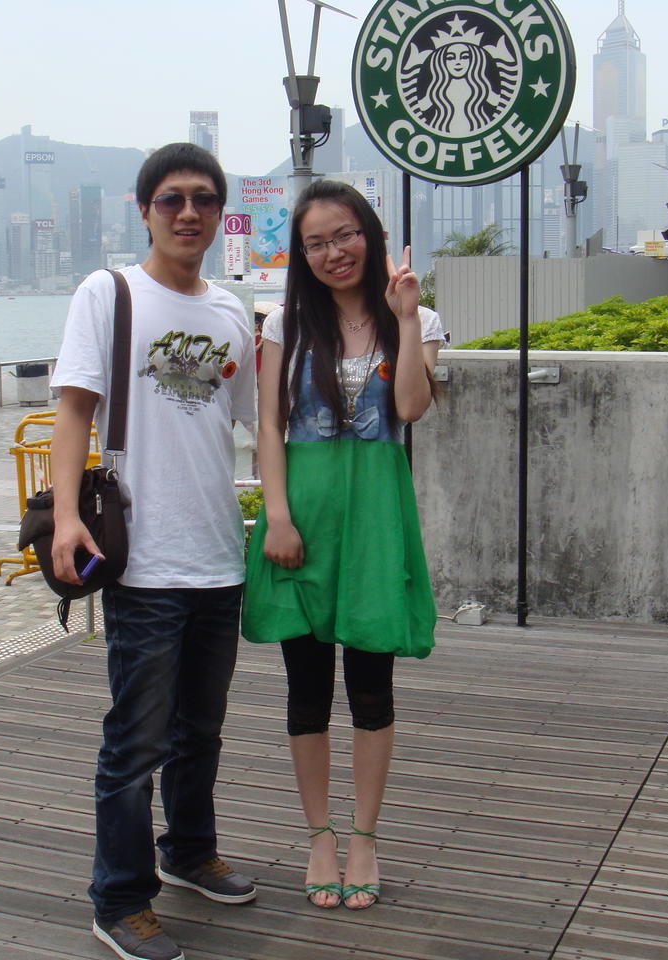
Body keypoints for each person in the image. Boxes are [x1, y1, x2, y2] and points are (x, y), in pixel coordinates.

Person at [49, 142, 258, 960]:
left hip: (219, 553)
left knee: (202, 729)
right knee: (135, 741)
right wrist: (67, 518)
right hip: (143, 559)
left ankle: (189, 850)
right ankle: (120, 898)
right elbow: (74, 410)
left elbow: (252, 423)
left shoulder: (232, 311)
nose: (188, 213)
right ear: (144, 210)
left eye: (204, 199)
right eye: (171, 199)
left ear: (219, 213)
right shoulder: (108, 293)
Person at [242, 180, 443, 912]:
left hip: (375, 517)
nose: (334, 252)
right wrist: (278, 518)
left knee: (370, 685)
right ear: (301, 255)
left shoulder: (416, 317)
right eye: (317, 242)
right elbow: (269, 427)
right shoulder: (285, 325)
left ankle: (364, 837)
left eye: (346, 234)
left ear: (371, 234)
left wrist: (407, 318)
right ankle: (319, 835)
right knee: (306, 688)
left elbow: (411, 408)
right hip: (304, 511)